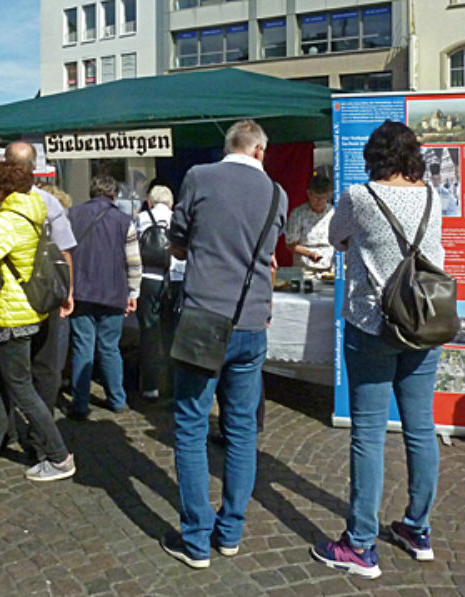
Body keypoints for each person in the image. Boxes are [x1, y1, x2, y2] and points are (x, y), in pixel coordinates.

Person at [311, 120, 445, 579]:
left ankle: (361, 544)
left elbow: (335, 238)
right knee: (421, 428)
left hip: (373, 324)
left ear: (373, 156)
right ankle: (417, 527)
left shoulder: (359, 197)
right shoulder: (432, 196)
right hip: (425, 323)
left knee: (368, 434)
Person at [161, 119, 288, 569]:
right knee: (240, 431)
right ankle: (230, 531)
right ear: (259, 150)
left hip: (203, 317)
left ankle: (196, 538)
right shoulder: (277, 193)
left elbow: (177, 245)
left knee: (192, 427)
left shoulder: (199, 177)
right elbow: (271, 253)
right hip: (253, 321)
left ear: (230, 146)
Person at [0, 159, 76, 483]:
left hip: (11, 315)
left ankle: (60, 457)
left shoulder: (8, 219)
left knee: (20, 389)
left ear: (2, 188)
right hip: (28, 312)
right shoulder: (35, 210)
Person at [66, 174, 141, 419]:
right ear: (114, 195)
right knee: (110, 347)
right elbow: (133, 261)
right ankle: (117, 399)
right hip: (113, 292)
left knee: (82, 347)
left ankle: (79, 402)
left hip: (80, 292)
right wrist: (133, 292)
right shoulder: (124, 221)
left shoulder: (72, 215)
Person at [134, 184, 175, 402]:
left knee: (149, 332)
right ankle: (172, 384)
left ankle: (150, 387)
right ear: (171, 203)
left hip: (147, 279)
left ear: (149, 202)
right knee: (171, 333)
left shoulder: (141, 218)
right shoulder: (177, 218)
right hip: (173, 279)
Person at [284, 174, 334, 273]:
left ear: (328, 196)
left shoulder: (333, 212)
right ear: (309, 194)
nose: (319, 202)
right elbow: (290, 244)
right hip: (304, 266)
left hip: (329, 267)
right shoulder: (298, 214)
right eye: (316, 198)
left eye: (322, 198)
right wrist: (309, 253)